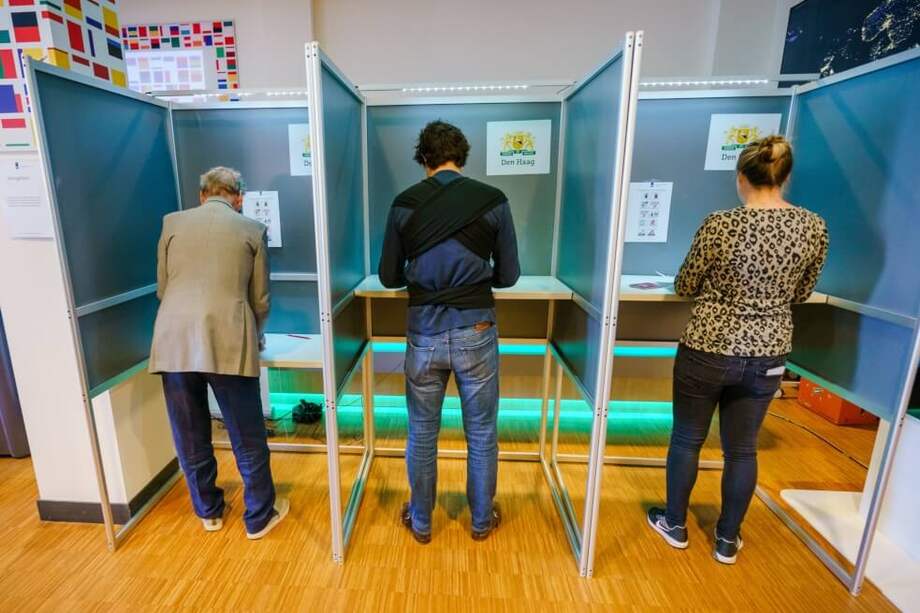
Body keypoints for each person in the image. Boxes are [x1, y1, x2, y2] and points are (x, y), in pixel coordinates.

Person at [646, 136, 828, 564]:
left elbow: (686, 284)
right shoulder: (813, 226)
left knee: (687, 438)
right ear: (785, 177)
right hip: (768, 351)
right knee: (742, 448)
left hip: (708, 345)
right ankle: (727, 539)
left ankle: (675, 524)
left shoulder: (720, 223)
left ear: (741, 176)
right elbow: (802, 292)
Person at [378, 120, 521, 543]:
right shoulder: (494, 201)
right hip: (476, 327)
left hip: (424, 330)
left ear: (424, 158)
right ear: (462, 156)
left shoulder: (404, 204)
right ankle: (481, 522)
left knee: (422, 433)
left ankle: (421, 522)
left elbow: (389, 276)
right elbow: (509, 276)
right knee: (482, 432)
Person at [149, 166, 289, 540]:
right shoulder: (252, 230)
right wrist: (257, 336)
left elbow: (163, 288)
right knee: (247, 434)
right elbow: (260, 300)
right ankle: (259, 516)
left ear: (202, 195)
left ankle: (208, 511)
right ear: (239, 197)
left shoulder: (171, 223)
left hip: (173, 339)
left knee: (190, 432)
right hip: (228, 336)